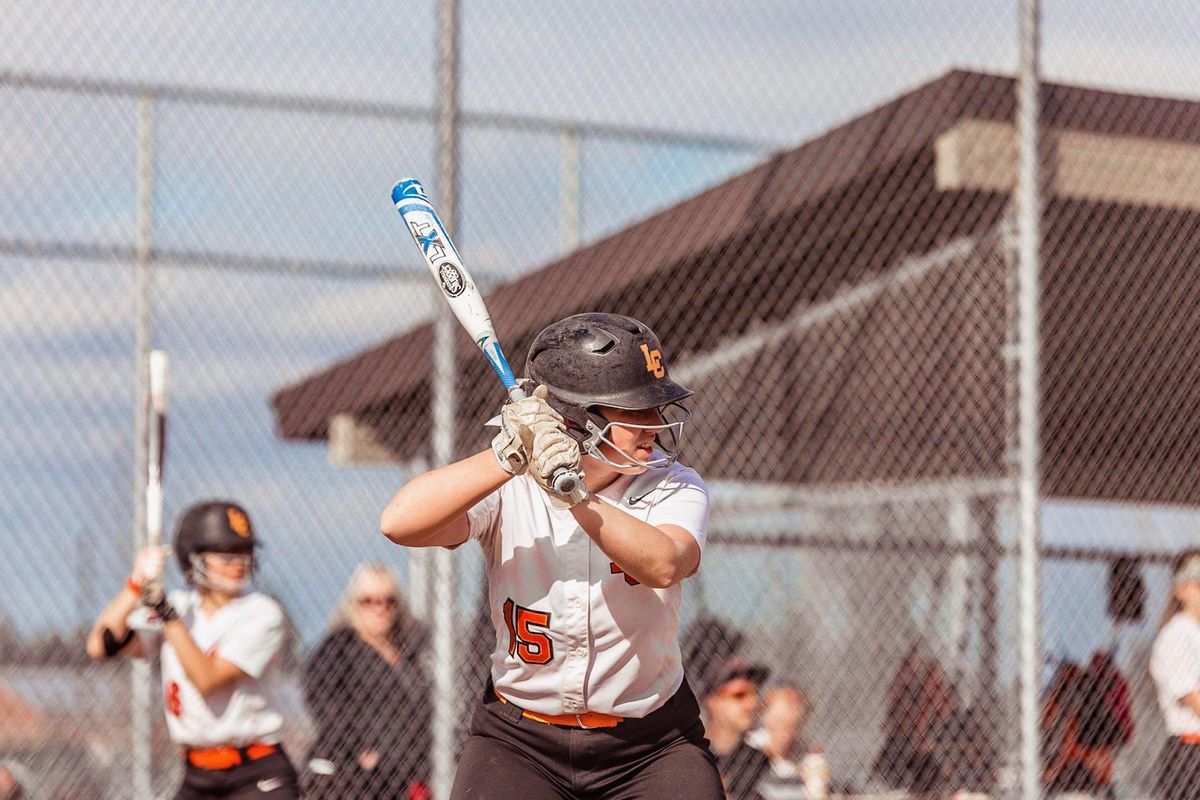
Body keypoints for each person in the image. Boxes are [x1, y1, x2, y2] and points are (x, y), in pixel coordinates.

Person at [380, 312, 724, 800]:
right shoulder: (510, 481)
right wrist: (505, 456)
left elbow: (665, 564)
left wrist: (574, 494)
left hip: (650, 744)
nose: (653, 424)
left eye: (654, 407)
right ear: (576, 418)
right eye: (631, 411)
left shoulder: (672, 483)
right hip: (520, 742)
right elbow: (399, 522)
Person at [85, 500, 298, 799]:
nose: (238, 562)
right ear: (193, 558)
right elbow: (100, 645)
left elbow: (206, 679)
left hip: (256, 771)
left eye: (244, 551)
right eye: (225, 554)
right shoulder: (181, 608)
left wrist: (165, 613)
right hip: (198, 773)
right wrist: (136, 583)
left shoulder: (262, 613)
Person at [302, 563, 430, 799]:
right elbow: (319, 698)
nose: (380, 609)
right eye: (368, 601)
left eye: (388, 601)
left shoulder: (410, 649)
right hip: (353, 776)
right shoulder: (340, 647)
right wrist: (357, 748)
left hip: (404, 774)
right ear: (354, 604)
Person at [1149, 549, 1200, 800]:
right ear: (1179, 589)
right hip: (1190, 756)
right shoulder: (1176, 635)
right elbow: (1195, 701)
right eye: (1194, 576)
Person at [701, 658, 772, 800]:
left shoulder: (759, 762)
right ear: (712, 701)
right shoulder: (689, 756)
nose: (752, 704)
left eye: (755, 694)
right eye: (739, 695)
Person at [748, 684, 811, 779]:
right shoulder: (748, 748)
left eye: (795, 726)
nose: (787, 734)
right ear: (766, 721)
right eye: (780, 723)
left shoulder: (804, 756)